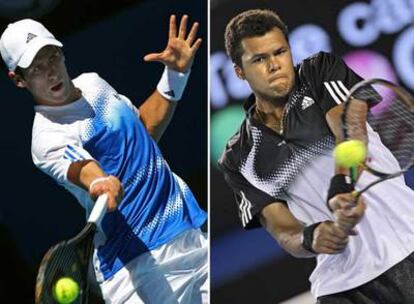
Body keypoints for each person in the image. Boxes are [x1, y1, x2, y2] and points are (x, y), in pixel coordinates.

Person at [0, 15, 207, 304]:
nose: (50, 72)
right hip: (140, 268)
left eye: (52, 57)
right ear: (19, 80)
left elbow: (142, 131)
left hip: (186, 230)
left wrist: (175, 76)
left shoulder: (93, 84)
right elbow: (84, 170)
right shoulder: (47, 137)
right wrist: (100, 183)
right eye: (36, 68)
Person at [219, 9, 414, 303]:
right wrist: (311, 238)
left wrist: (342, 184)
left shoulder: (319, 71)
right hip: (341, 285)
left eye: (280, 52)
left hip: (406, 243)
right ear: (239, 71)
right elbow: (282, 230)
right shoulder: (238, 157)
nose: (274, 65)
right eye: (259, 59)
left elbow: (350, 129)